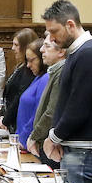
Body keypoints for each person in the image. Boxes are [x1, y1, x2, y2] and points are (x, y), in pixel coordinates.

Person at [41, 0, 92, 183]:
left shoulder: (88, 53)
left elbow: (78, 107)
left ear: (70, 25)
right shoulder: (78, 52)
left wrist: (53, 138)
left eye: (54, 32)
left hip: (83, 152)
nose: (52, 38)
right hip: (76, 149)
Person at [26, 37, 64, 165]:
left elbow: (51, 112)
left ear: (61, 52)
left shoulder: (61, 72)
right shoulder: (54, 71)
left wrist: (34, 136)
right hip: (45, 140)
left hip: (51, 143)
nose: (42, 49)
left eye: (47, 46)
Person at [0, 27, 39, 132]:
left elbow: (19, 97)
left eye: (16, 45)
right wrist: (3, 114)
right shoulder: (20, 67)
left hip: (19, 122)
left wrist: (6, 119)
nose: (12, 48)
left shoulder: (29, 70)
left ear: (25, 46)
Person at [13, 38, 48, 143]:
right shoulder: (38, 77)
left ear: (42, 58)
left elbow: (38, 114)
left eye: (31, 60)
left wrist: (23, 139)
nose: (28, 65)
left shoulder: (46, 78)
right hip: (23, 140)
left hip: (30, 142)